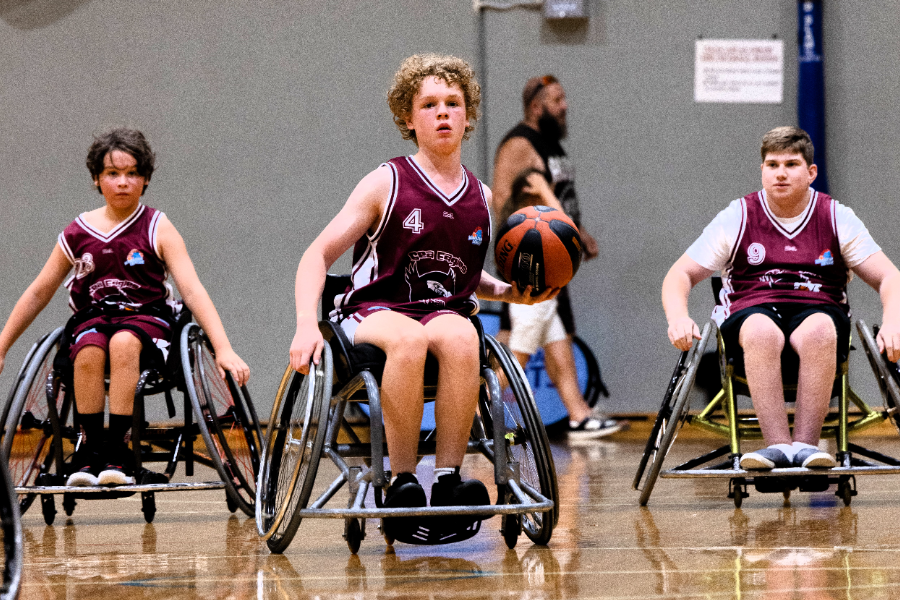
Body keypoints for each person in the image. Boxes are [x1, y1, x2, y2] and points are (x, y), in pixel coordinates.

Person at [289, 54, 553, 517]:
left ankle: (450, 477)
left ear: (468, 115)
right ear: (408, 119)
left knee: (461, 334)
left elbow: (469, 279)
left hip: (442, 312)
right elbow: (316, 255)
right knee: (410, 339)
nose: (443, 112)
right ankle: (403, 477)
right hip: (374, 312)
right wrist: (304, 325)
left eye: (453, 102)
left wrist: (512, 292)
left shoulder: (482, 198)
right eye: (429, 104)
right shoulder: (386, 182)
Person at [0, 128, 250, 486]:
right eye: (112, 174)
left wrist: (223, 348)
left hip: (148, 321)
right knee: (87, 350)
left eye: (132, 173)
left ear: (145, 178)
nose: (122, 182)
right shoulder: (77, 232)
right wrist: (2, 345)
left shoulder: (157, 226)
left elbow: (192, 290)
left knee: (123, 342)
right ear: (97, 179)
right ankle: (90, 451)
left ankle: (117, 448)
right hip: (94, 319)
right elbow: (39, 292)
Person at [662, 126, 900, 470]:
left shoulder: (836, 216)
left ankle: (805, 446)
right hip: (751, 310)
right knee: (762, 331)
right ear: (762, 171)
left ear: (811, 172)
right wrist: (678, 317)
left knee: (819, 330)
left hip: (818, 307)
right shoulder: (738, 216)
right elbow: (679, 274)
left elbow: (889, 276)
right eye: (772, 164)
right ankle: (776, 448)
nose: (781, 173)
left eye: (791, 164)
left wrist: (892, 322)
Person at [492, 74, 623, 440]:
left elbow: (558, 196)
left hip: (554, 255)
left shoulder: (550, 145)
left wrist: (576, 236)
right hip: (531, 260)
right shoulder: (520, 143)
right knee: (519, 345)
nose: (565, 106)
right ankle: (477, 412)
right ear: (536, 106)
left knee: (557, 334)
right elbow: (502, 201)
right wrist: (515, 254)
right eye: (557, 99)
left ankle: (578, 415)